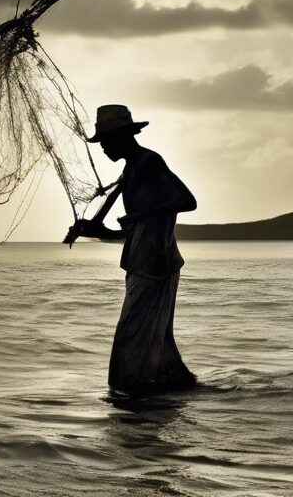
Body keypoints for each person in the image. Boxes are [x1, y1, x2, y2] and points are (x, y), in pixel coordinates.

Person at [71, 105, 198, 396]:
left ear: (122, 137)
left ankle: (132, 407)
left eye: (105, 143)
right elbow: (130, 233)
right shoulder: (130, 170)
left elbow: (187, 200)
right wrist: (95, 231)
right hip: (143, 262)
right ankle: (171, 392)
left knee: (131, 339)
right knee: (158, 339)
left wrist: (140, 217)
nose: (103, 149)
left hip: (155, 266)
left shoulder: (148, 161)